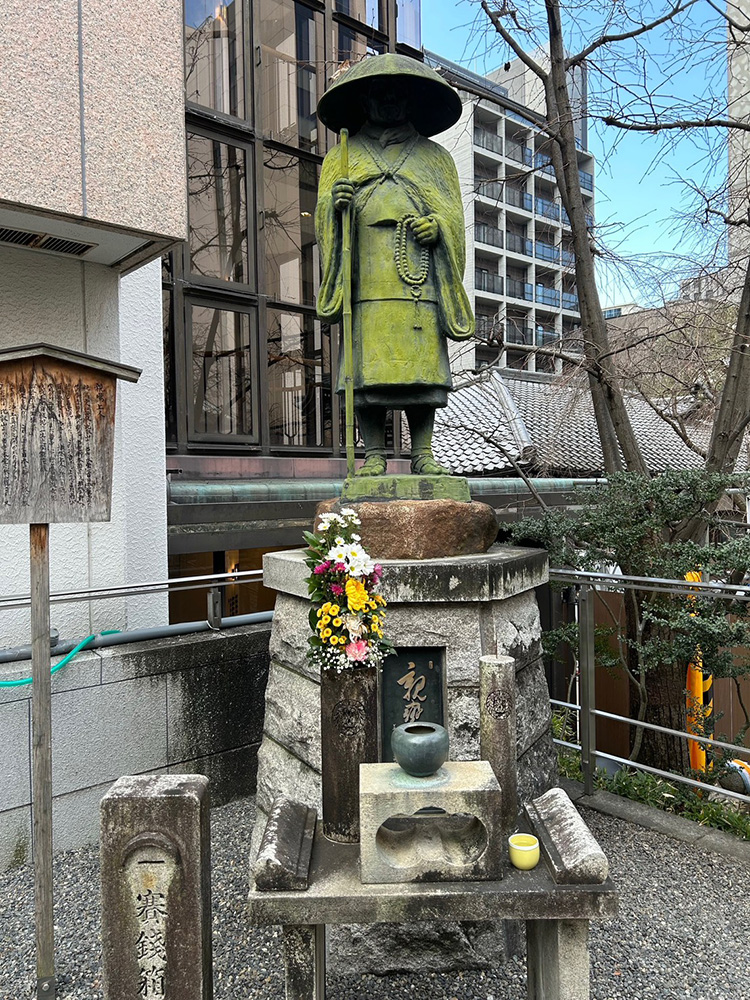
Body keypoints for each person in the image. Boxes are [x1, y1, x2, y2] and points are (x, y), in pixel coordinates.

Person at [315, 54, 474, 476]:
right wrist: (337, 206)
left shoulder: (436, 158)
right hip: (366, 279)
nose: (388, 101)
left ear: (412, 100)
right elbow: (322, 219)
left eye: (397, 94)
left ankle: (423, 451)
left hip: (417, 280)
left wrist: (437, 227)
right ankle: (372, 455)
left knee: (421, 373)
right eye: (379, 94)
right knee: (367, 374)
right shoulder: (341, 158)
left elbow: (453, 216)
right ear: (364, 99)